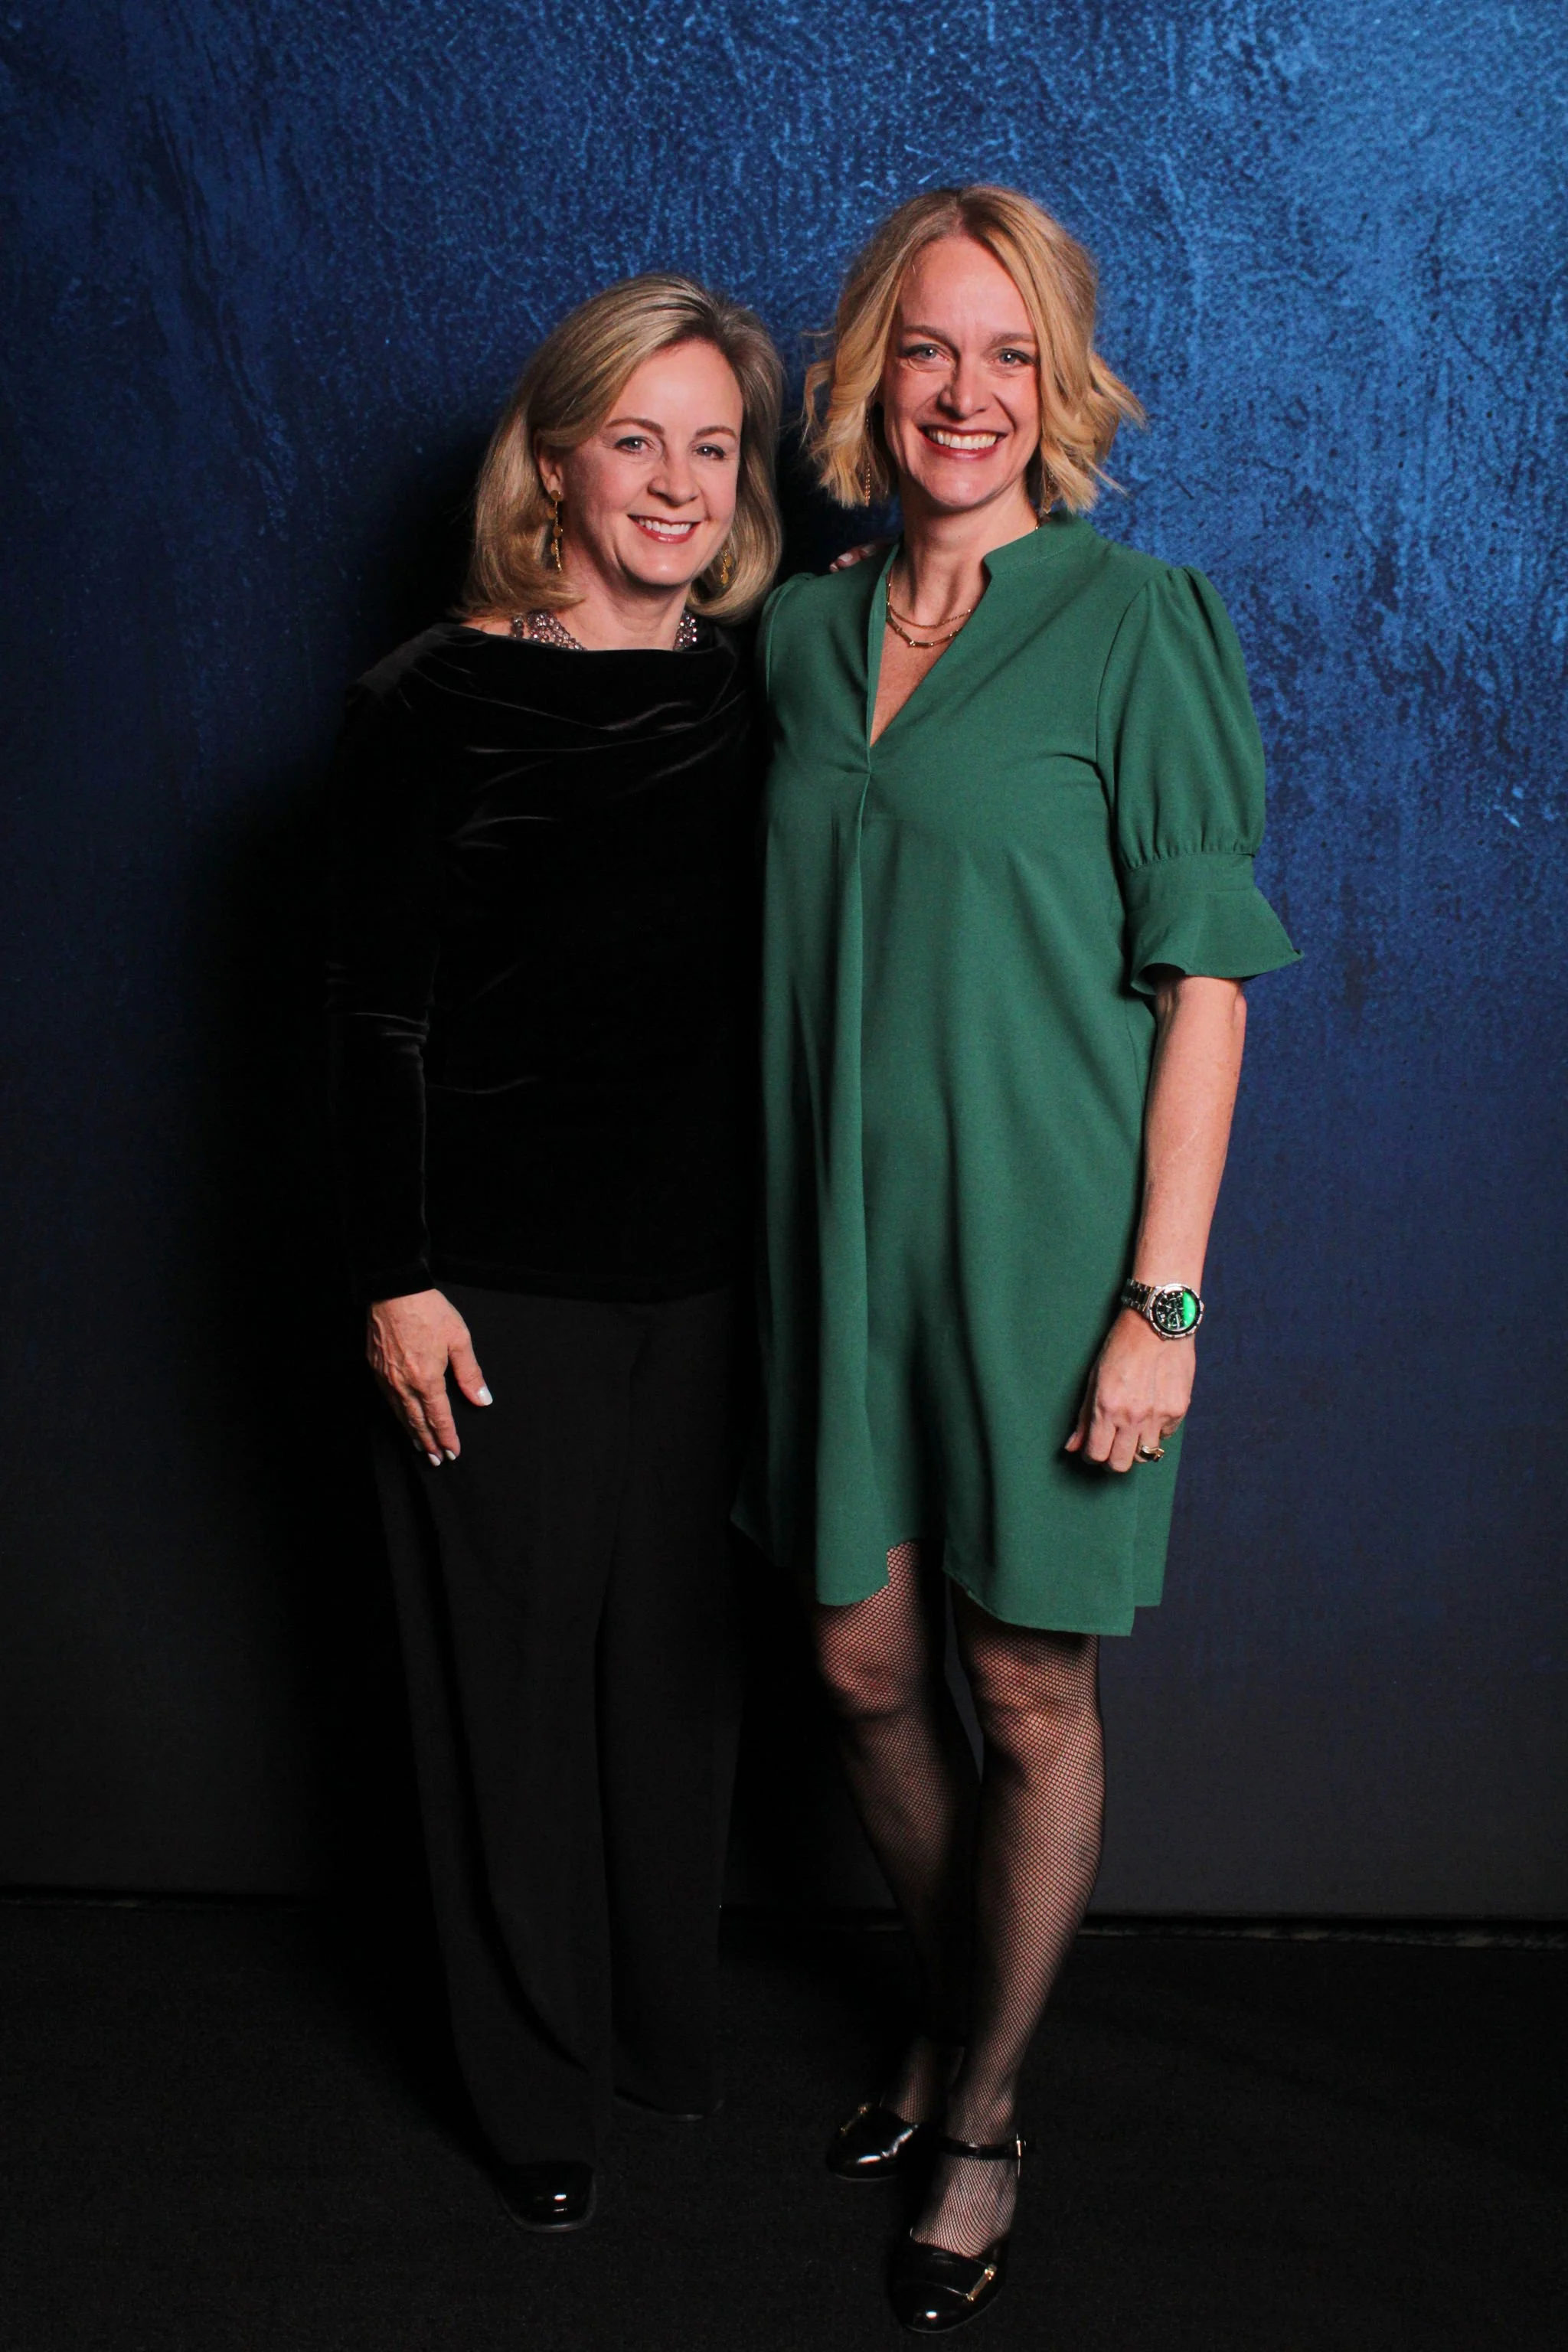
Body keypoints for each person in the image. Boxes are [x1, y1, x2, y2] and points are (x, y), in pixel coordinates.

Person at [736, 186, 1299, 2332]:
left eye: (1005, 355)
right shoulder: (796, 633)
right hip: (829, 1235)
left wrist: (1161, 1305)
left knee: (1019, 1685)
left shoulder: (1142, 620)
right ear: (868, 376)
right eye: (922, 349)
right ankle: (962, 2009)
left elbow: (1212, 987)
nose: (961, 395)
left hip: (1057, 1241)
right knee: (859, 1669)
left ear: (1058, 389)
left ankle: (978, 2106)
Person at [327, 275, 782, 2233]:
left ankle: (665, 2037)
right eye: (636, 441)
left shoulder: (763, 691)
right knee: (506, 1694)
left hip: (714, 1276)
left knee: (674, 1683)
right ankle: (531, 2090)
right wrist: (392, 1271)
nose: (675, 483)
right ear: (557, 459)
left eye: (712, 444)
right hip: (488, 1279)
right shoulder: (431, 698)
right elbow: (371, 1015)